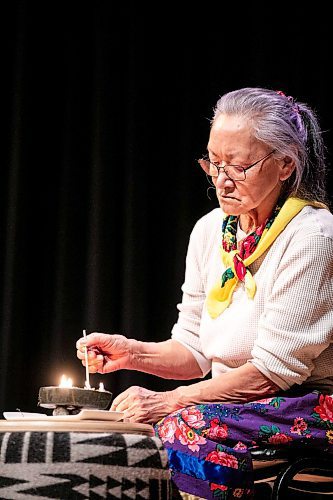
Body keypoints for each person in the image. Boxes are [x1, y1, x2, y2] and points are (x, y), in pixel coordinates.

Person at [76, 87, 333, 499]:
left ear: (285, 165)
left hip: (311, 407)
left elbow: (273, 372)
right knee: (115, 435)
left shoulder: (312, 236)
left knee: (182, 426)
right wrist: (132, 353)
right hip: (231, 408)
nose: (221, 180)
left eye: (239, 166)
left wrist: (169, 402)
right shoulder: (211, 230)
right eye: (213, 164)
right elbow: (195, 351)